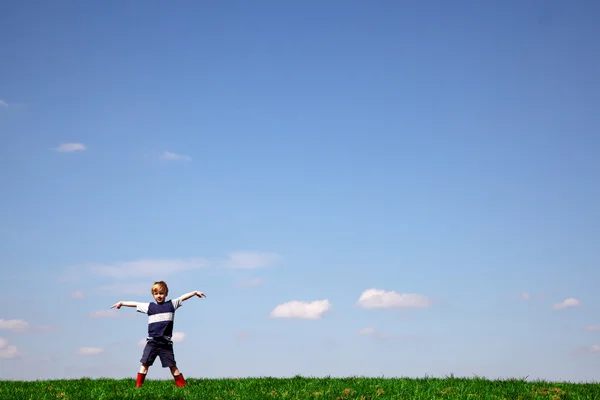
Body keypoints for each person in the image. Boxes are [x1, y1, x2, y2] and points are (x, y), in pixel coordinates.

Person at [110, 281, 206, 387]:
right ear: (153, 295)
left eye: (161, 293)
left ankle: (182, 385)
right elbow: (135, 304)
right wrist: (122, 303)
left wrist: (194, 292)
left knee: (172, 365)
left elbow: (183, 297)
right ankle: (138, 387)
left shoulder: (171, 305)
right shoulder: (150, 307)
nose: (159, 296)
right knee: (145, 364)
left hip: (166, 343)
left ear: (166, 293)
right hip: (152, 341)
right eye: (156, 294)